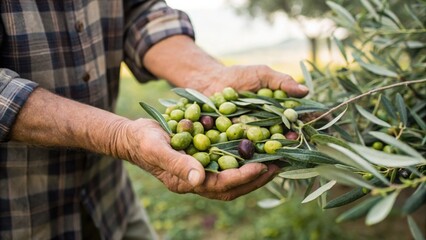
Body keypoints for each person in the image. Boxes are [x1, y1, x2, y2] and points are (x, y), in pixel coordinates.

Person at [0, 1, 308, 239]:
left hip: (110, 201)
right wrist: (116, 136)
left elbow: (139, 11)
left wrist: (207, 77)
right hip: (17, 217)